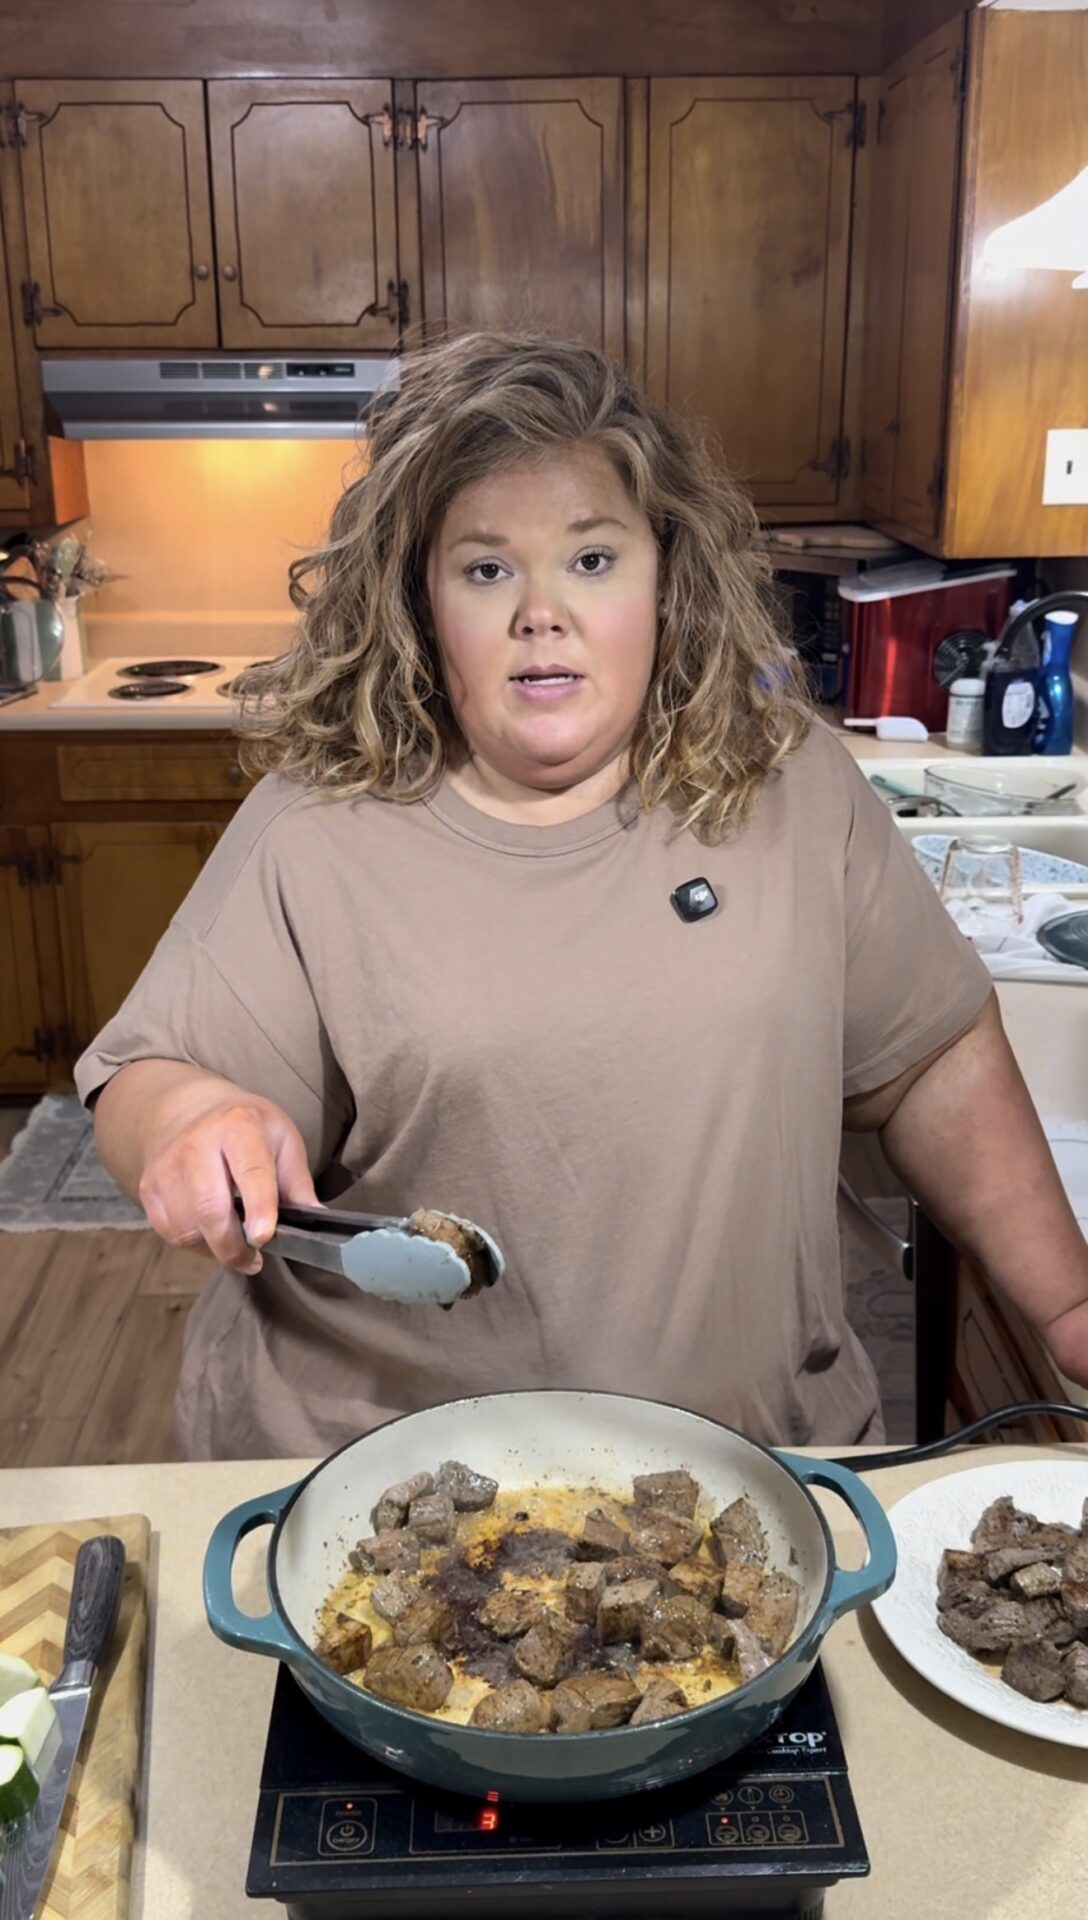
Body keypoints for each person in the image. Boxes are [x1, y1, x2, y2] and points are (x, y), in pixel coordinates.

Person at [77, 331, 1088, 1460]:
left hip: (747, 1486)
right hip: (384, 1502)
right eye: (485, 568)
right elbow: (145, 1077)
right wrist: (184, 1121)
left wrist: (1064, 1306)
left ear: (667, 575)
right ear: (419, 602)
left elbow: (927, 1058)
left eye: (591, 560)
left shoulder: (789, 782)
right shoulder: (319, 822)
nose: (539, 613)